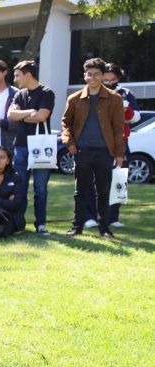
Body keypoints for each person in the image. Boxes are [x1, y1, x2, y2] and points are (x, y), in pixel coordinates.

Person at [61, 57, 125, 238]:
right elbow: (66, 123)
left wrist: (119, 153)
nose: (93, 78)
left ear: (103, 76)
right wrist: (70, 142)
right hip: (82, 151)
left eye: (97, 74)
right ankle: (77, 227)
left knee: (103, 192)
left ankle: (104, 228)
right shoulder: (75, 99)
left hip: (105, 151)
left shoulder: (114, 99)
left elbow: (119, 128)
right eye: (89, 74)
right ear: (84, 76)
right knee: (79, 191)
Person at [83, 63, 140, 229]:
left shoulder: (126, 94)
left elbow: (135, 118)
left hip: (119, 143)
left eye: (113, 80)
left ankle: (112, 217)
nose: (109, 83)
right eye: (106, 79)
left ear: (118, 79)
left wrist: (125, 109)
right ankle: (90, 216)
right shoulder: (92, 92)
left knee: (119, 179)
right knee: (92, 180)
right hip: (97, 143)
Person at [7, 60, 55, 235]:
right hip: (21, 147)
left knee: (40, 188)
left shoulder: (47, 93)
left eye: (17, 75)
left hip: (41, 147)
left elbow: (42, 116)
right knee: (20, 187)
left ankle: (40, 224)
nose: (15, 79)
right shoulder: (20, 94)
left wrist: (23, 114)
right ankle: (19, 224)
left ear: (28, 75)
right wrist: (29, 112)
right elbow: (11, 115)